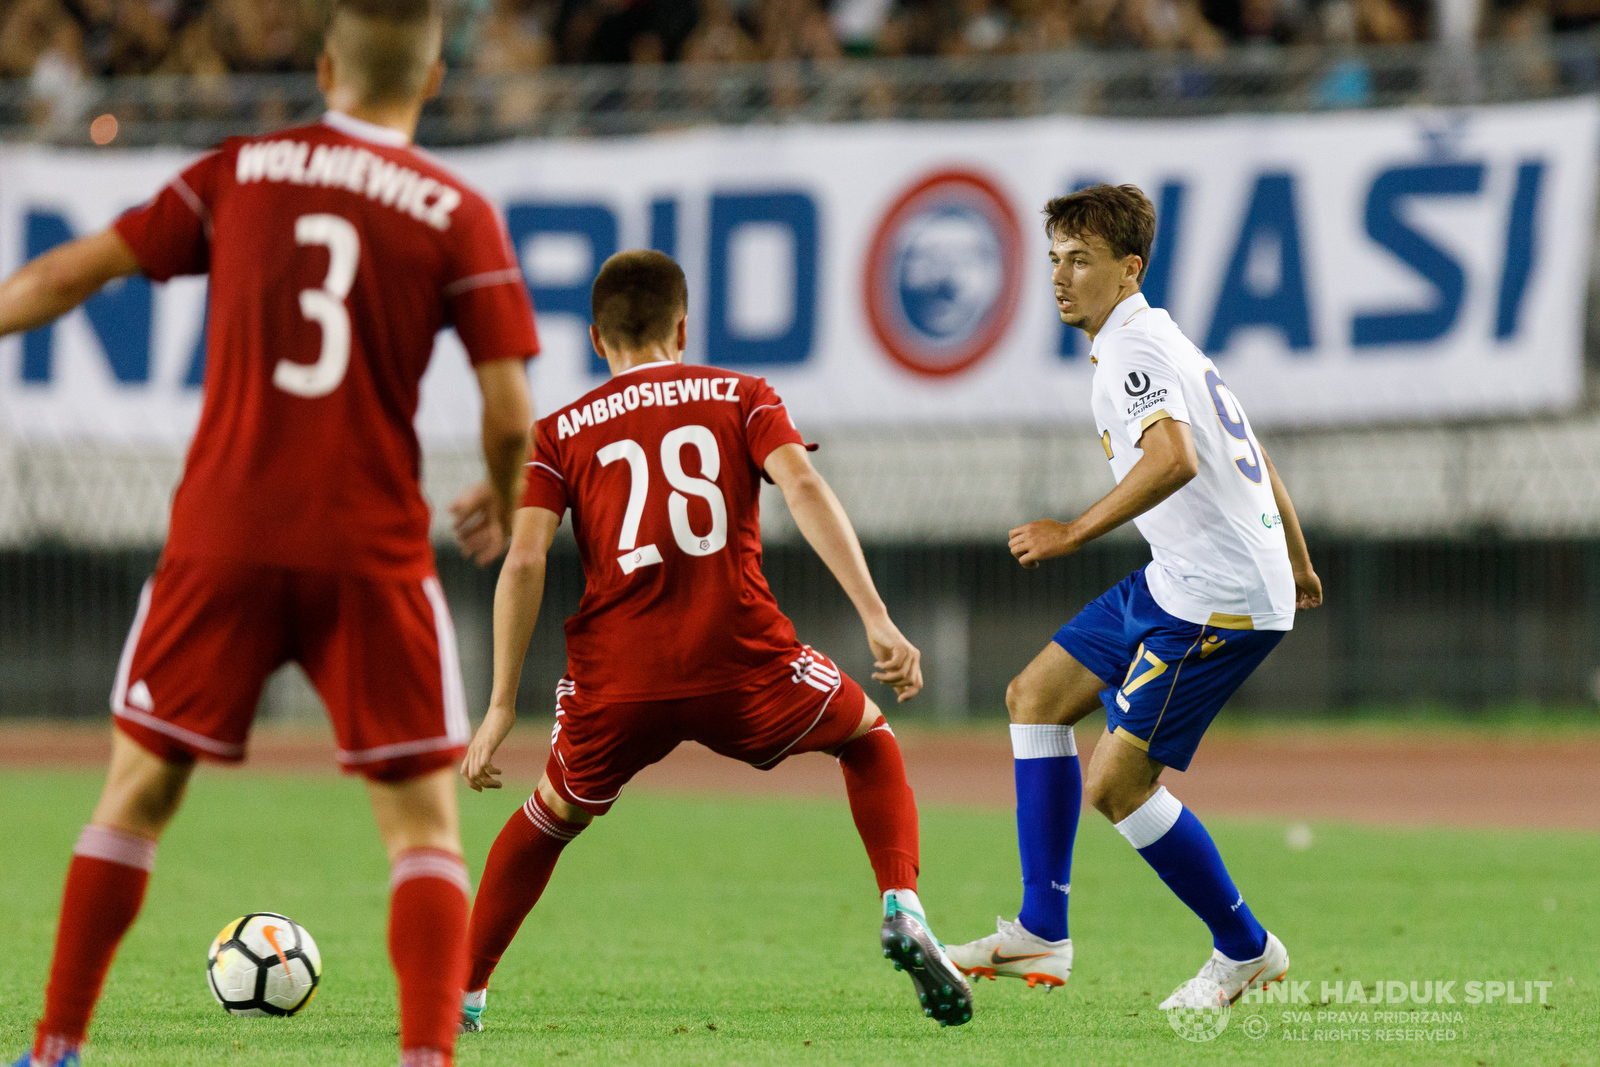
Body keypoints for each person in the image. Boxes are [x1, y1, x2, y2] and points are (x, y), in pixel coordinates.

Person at [0, 2, 538, 1065]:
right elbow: (512, 409)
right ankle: (427, 1057)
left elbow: (71, 272)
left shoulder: (240, 169)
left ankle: (55, 1048)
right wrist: (498, 483)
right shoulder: (454, 209)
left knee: (138, 791)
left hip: (223, 534)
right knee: (421, 824)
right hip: (370, 546)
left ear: (326, 67)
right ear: (431, 83)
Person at [455, 249, 973, 1031]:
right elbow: (802, 485)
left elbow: (524, 557)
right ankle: (903, 902)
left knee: (551, 814)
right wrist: (875, 615)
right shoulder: (741, 395)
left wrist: (499, 706)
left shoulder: (558, 431)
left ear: (597, 338)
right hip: (741, 660)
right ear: (683, 326)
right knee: (869, 739)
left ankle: (458, 993)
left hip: (619, 677)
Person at [945, 184, 1322, 1007]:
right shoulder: (1156, 335)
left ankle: (1247, 950)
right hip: (1181, 575)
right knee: (1036, 696)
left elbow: (1177, 457)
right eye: (1055, 258)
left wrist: (1069, 532)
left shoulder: (1133, 351)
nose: (1060, 276)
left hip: (1217, 597)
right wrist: (1295, 552)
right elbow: (1243, 439)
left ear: (1129, 269)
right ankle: (1041, 930)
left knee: (1116, 783)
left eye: (1081, 260)